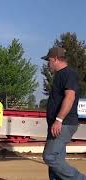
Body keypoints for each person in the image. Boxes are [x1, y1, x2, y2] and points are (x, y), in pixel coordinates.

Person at [41, 47, 85, 180]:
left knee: (50, 156)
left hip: (64, 123)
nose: (47, 64)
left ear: (55, 59)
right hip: (59, 124)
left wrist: (59, 120)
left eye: (48, 60)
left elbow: (70, 96)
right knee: (56, 162)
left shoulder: (68, 74)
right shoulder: (60, 75)